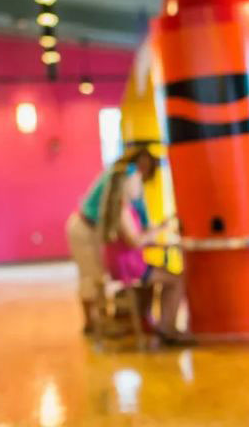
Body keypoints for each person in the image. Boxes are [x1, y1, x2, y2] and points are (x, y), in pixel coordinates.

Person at [65, 147, 158, 334]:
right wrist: (147, 228)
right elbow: (137, 203)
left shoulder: (126, 176)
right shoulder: (124, 172)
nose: (142, 170)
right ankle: (92, 324)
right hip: (84, 227)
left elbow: (139, 206)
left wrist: (147, 226)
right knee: (91, 277)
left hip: (94, 229)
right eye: (141, 164)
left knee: (97, 276)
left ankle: (104, 320)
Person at [99, 162, 187, 343]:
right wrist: (158, 231)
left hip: (124, 263)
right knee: (176, 279)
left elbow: (136, 238)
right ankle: (167, 328)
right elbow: (135, 240)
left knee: (163, 272)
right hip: (129, 267)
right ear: (126, 185)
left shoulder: (122, 208)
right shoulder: (123, 210)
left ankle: (160, 324)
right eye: (136, 182)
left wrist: (158, 231)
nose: (139, 187)